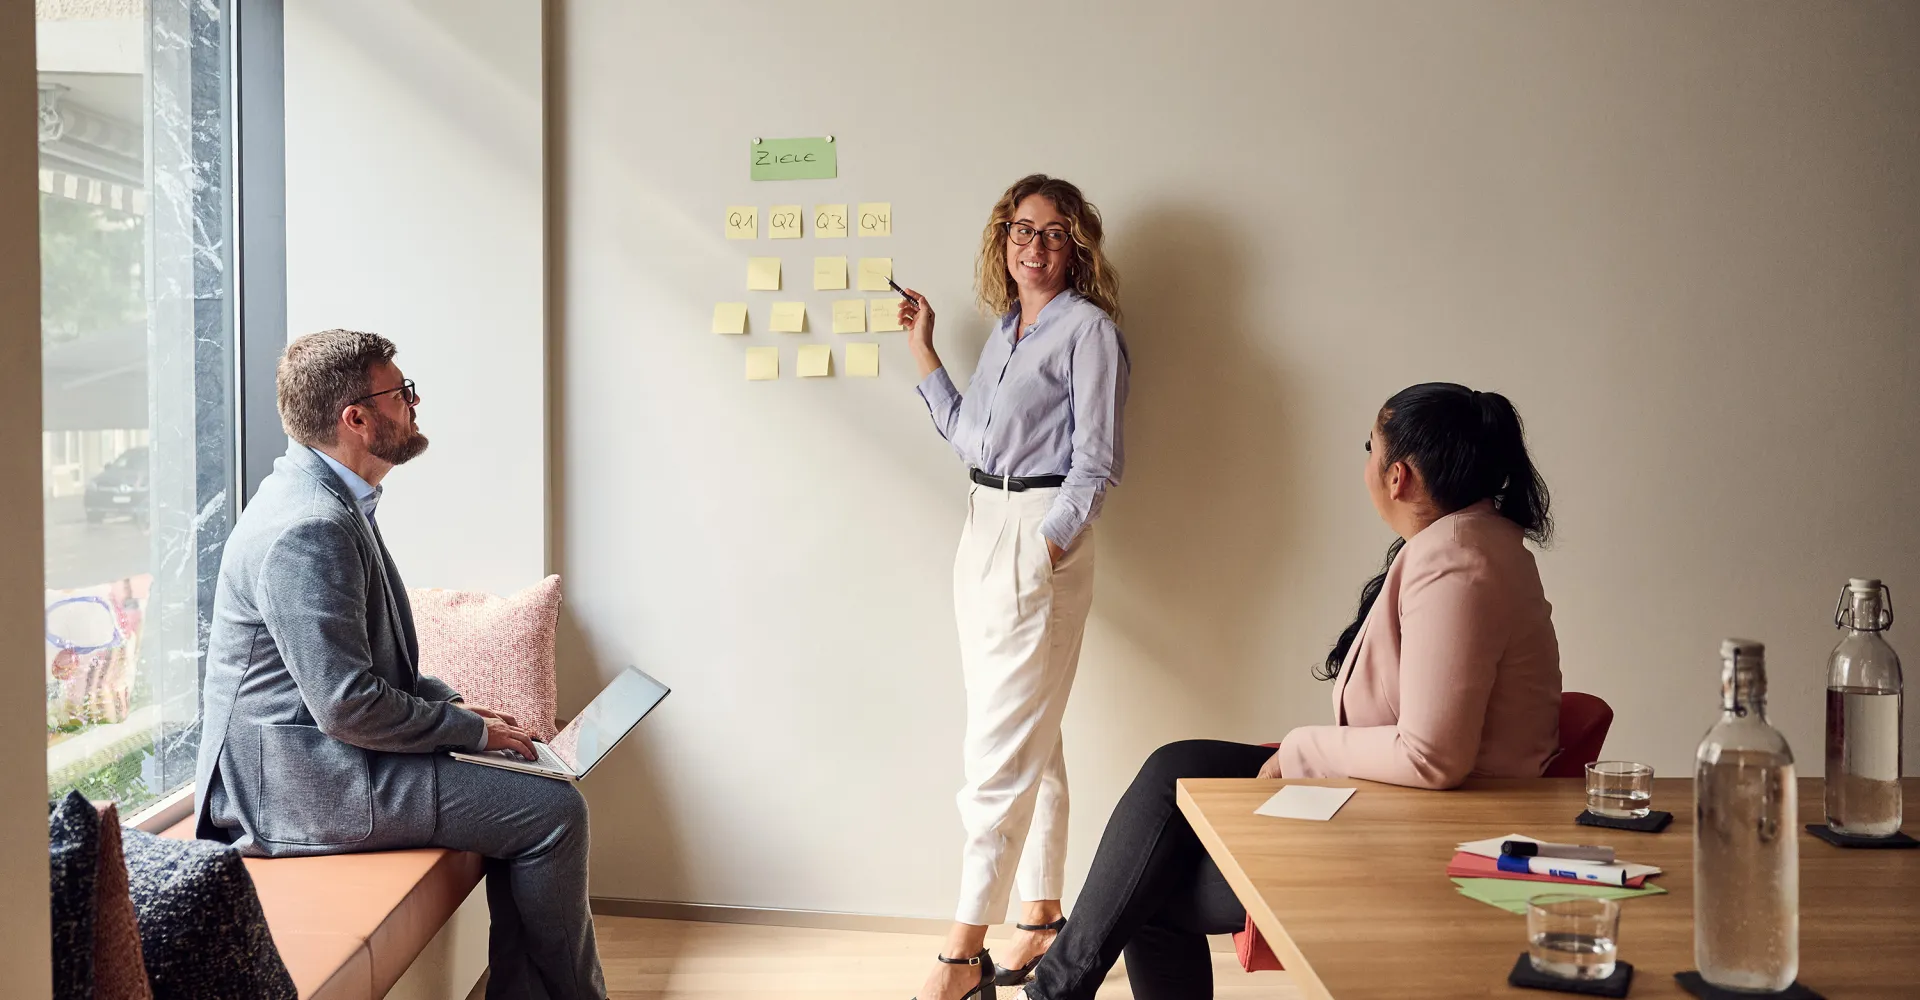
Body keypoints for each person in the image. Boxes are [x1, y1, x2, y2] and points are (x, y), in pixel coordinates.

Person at [1013, 382, 1563, 1000]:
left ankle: (1052, 993)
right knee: (1178, 766)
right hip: (1403, 797)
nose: (1367, 466)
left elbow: (1433, 757)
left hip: (1431, 823)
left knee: (1151, 891)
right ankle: (1054, 991)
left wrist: (1303, 750)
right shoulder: (1472, 540)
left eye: (1369, 449)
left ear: (1399, 476)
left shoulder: (1457, 565)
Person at [193, 330, 605, 1000]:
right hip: (299, 789)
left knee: (536, 789)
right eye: (402, 392)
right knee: (553, 813)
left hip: (322, 761)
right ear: (355, 418)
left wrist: (464, 714)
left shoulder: (332, 498)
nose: (414, 404)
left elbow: (378, 665)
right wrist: (468, 735)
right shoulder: (309, 526)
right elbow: (348, 704)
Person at [895, 175, 1131, 1000]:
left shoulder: (1089, 332)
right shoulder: (1004, 333)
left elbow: (1097, 459)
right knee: (1033, 735)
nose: (1034, 245)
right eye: (1021, 229)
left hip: (1036, 535)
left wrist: (1049, 544)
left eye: (1054, 232)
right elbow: (969, 435)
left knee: (997, 747)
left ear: (1078, 248)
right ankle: (1038, 920)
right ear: (1003, 241)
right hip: (980, 528)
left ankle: (962, 955)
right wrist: (925, 349)